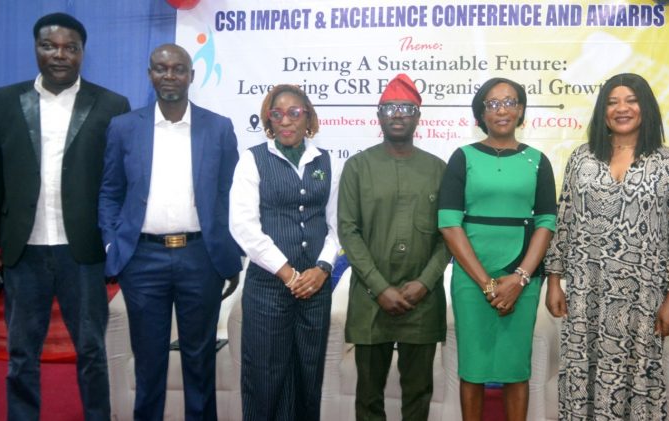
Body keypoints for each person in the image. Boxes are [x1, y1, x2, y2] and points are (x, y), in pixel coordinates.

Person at [0, 12, 130, 421]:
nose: (59, 55)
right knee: (22, 353)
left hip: (83, 251)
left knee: (91, 350)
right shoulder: (3, 102)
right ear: (35, 49)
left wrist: (114, 243)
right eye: (49, 46)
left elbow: (118, 184)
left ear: (82, 53)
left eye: (70, 48)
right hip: (24, 249)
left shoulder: (112, 105)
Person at [98, 44, 242, 420]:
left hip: (201, 257)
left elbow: (231, 194)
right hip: (142, 260)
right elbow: (110, 192)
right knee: (148, 362)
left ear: (191, 76)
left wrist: (227, 251)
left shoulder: (219, 128)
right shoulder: (124, 127)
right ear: (150, 75)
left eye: (178, 69)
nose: (169, 75)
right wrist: (113, 245)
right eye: (161, 68)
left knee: (199, 360)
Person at [543, 73, 669, 419]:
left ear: (646, 107)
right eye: (612, 102)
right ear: (603, 111)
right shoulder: (581, 158)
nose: (621, 108)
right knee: (583, 372)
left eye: (631, 100)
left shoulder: (668, 162)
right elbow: (564, 220)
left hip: (642, 297)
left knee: (639, 376)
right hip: (586, 293)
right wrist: (554, 280)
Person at [437, 77, 557, 421]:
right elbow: (449, 223)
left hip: (523, 275)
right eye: (492, 103)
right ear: (481, 113)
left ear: (521, 110)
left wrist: (520, 278)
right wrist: (486, 283)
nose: (501, 109)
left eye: (509, 101)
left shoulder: (538, 160)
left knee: (516, 367)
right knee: (472, 368)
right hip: (471, 278)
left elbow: (547, 222)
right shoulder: (463, 157)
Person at [338, 73, 451, 420]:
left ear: (418, 116)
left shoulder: (439, 170)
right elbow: (348, 231)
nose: (398, 114)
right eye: (390, 108)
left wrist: (425, 283)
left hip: (423, 300)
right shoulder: (357, 167)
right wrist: (379, 287)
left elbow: (449, 235)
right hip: (371, 299)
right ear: (379, 115)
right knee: (368, 397)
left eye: (406, 108)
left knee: (418, 395)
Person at [229, 84, 341, 420]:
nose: (286, 121)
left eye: (294, 113)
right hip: (268, 288)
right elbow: (243, 226)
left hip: (315, 289)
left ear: (308, 117)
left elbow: (337, 226)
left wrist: (322, 268)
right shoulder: (252, 160)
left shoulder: (327, 161)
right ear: (268, 120)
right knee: (265, 379)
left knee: (308, 376)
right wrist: (288, 273)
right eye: (276, 114)